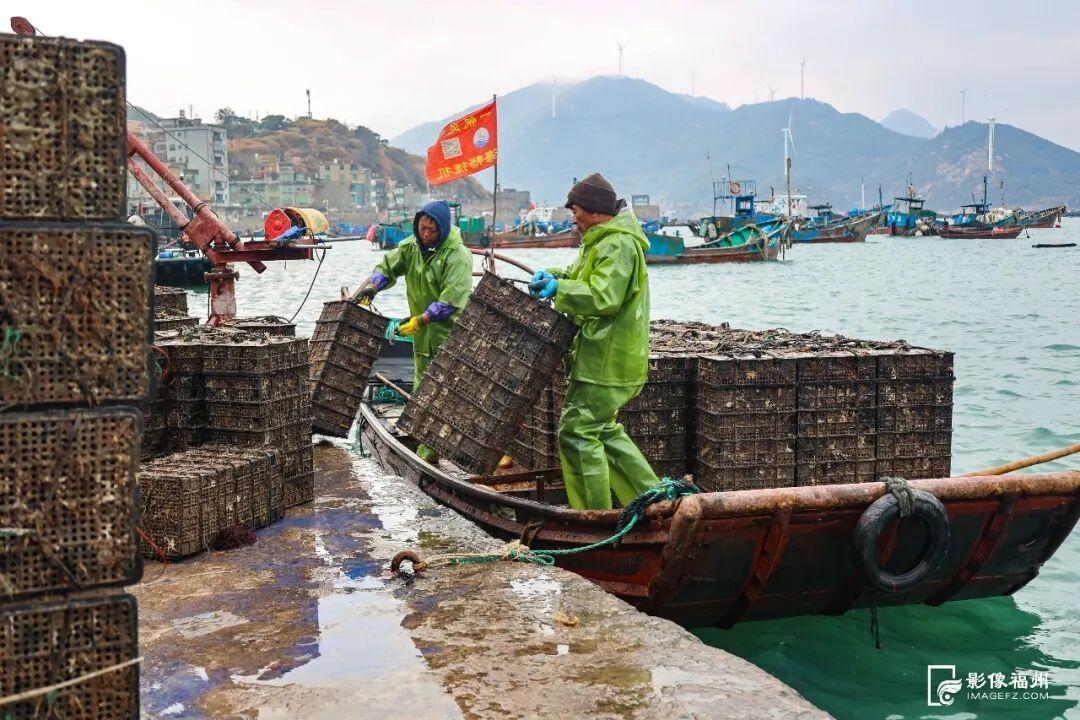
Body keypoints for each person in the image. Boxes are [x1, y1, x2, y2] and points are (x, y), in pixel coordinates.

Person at [529, 173, 659, 510]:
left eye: (576, 210)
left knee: (577, 432)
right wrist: (557, 278)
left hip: (609, 359)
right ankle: (652, 501)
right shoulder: (601, 241)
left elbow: (605, 296)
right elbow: (581, 278)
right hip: (601, 357)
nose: (573, 217)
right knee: (602, 430)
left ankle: (592, 517)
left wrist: (561, 291)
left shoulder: (617, 244)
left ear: (595, 210)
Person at [356, 200, 472, 463]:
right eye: (422, 228)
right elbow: (387, 268)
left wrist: (421, 320)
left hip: (451, 334)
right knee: (422, 389)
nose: (426, 234)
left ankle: (431, 450)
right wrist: (373, 287)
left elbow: (451, 301)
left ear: (442, 230)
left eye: (432, 230)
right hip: (422, 337)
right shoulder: (411, 247)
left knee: (444, 392)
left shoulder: (458, 256)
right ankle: (424, 442)